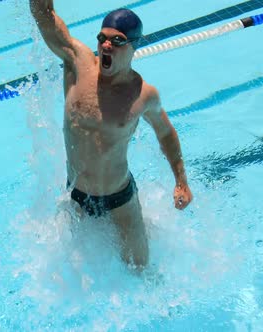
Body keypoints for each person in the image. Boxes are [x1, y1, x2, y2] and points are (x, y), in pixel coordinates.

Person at [29, 0, 193, 269]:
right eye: (102, 38)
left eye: (117, 41)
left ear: (133, 46)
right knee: (69, 273)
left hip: (120, 200)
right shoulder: (77, 63)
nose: (106, 46)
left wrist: (181, 182)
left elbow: (166, 133)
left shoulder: (143, 94)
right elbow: (44, 16)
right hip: (76, 196)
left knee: (140, 270)